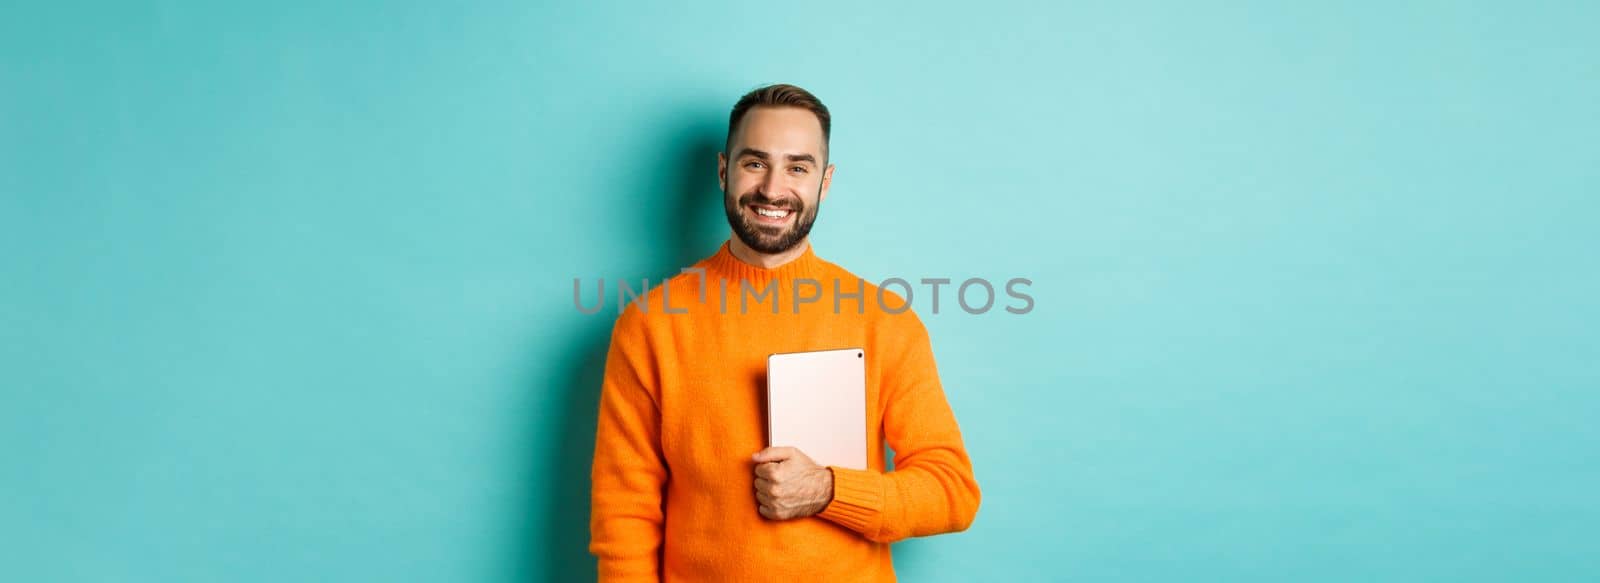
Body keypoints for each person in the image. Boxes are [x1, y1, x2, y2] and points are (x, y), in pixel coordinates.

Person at [588, 83, 980, 582]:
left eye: (798, 167)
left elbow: (952, 492)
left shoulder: (884, 321)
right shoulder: (651, 323)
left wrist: (828, 490)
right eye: (755, 163)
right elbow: (625, 512)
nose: (773, 190)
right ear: (723, 170)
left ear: (826, 181)